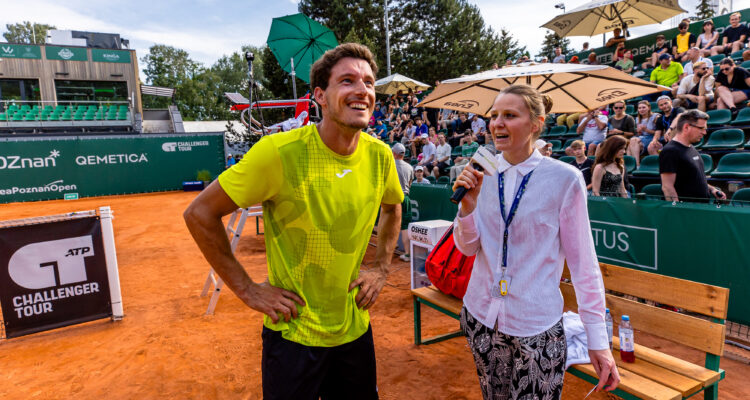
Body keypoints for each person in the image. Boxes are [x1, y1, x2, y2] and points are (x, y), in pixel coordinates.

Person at [182, 43, 403, 400]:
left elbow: (393, 207)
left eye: (368, 82)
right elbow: (198, 214)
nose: (362, 90)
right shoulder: (278, 152)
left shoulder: (380, 156)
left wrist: (380, 268)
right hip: (293, 334)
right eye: (347, 81)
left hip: (354, 331)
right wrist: (248, 289)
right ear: (319, 95)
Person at [452, 84, 619, 399]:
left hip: (536, 328)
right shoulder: (480, 172)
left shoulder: (564, 179)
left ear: (537, 124)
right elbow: (467, 248)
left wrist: (598, 340)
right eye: (494, 115)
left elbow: (584, 264)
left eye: (510, 115)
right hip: (480, 317)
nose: (497, 123)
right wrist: (467, 207)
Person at [660, 109, 727, 202]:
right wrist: (677, 212)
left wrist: (712, 189)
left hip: (699, 210)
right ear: (686, 127)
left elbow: (693, 179)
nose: (705, 132)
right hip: (687, 212)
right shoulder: (670, 151)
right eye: (701, 128)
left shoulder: (690, 147)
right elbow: (667, 187)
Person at [392, 143, 415, 262]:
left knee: (390, 223)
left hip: (392, 197)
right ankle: (407, 254)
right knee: (405, 225)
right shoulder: (410, 167)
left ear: (394, 153)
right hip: (405, 197)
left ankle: (390, 247)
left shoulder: (390, 164)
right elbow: (410, 184)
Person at [628, 100, 660, 166]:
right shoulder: (637, 119)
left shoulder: (655, 116)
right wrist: (639, 132)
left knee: (633, 140)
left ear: (649, 107)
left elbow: (660, 132)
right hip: (643, 139)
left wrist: (646, 130)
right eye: (639, 108)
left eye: (643, 107)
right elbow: (640, 134)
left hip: (653, 138)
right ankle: (630, 166)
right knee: (629, 145)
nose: (641, 109)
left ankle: (636, 164)